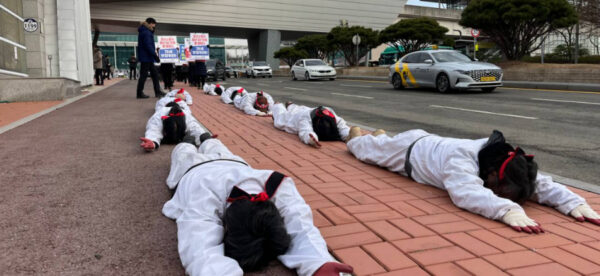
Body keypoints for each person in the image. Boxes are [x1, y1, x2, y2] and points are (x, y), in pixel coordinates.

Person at [162, 135, 354, 276]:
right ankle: (190, 141)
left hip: (227, 164)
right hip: (200, 168)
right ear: (225, 226)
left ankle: (203, 140)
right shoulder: (204, 192)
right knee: (182, 150)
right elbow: (197, 241)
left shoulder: (279, 184)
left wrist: (320, 263)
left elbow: (300, 223)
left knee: (208, 145)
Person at [346, 128, 600, 233]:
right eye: (502, 192)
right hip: (407, 151)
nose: (502, 195)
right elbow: (464, 193)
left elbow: (538, 183)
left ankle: (380, 135)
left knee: (380, 141)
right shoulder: (462, 159)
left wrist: (573, 203)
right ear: (492, 175)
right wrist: (506, 210)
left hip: (423, 141)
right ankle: (356, 133)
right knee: (361, 148)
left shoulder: (509, 161)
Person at [271, 103, 350, 148]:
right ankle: (278, 105)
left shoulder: (331, 115)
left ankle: (290, 104)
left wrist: (349, 135)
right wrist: (311, 139)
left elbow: (342, 126)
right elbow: (305, 131)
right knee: (279, 120)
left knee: (296, 107)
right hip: (294, 116)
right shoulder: (304, 119)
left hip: (306, 109)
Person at [139, 101, 206, 152]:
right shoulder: (160, 114)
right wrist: (153, 142)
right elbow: (153, 128)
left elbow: (194, 127)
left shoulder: (186, 115)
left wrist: (204, 138)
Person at [137, 17, 165, 99]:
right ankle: (140, 93)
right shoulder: (146, 32)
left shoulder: (144, 31)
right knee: (144, 75)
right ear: (150, 23)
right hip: (147, 57)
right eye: (153, 24)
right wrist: (155, 56)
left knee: (154, 75)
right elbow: (148, 46)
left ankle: (157, 92)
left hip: (146, 57)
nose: (154, 26)